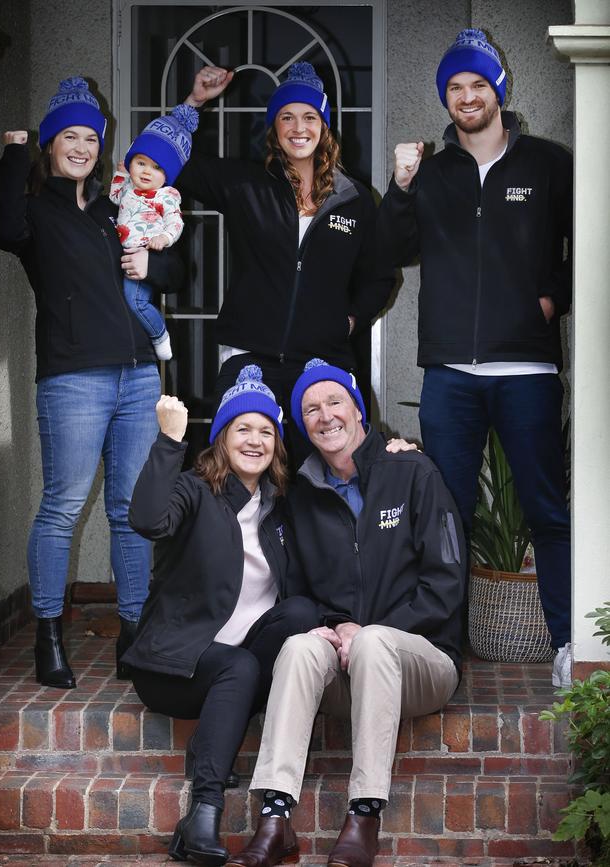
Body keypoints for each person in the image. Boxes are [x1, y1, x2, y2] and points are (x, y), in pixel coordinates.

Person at [377, 29, 573, 687]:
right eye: (455, 87)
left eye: (477, 84)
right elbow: (389, 249)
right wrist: (401, 185)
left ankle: (570, 642)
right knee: (448, 515)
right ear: (447, 97)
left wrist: (552, 299)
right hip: (451, 374)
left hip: (526, 370)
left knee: (546, 508)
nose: (467, 96)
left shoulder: (548, 164)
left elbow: (590, 236)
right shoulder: (431, 173)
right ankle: (444, 650)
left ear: (498, 90)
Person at [0, 76, 182, 689]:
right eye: (68, 136)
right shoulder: (35, 211)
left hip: (137, 379)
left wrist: (157, 262)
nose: (81, 147)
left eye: (90, 138)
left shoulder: (111, 207)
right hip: (73, 378)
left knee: (128, 512)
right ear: (50, 144)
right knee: (62, 508)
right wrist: (16, 154)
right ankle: (48, 635)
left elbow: (172, 264)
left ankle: (132, 632)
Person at [228, 358, 466, 867]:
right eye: (310, 409)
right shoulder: (301, 496)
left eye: (335, 401)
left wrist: (370, 632)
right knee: (297, 646)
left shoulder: (412, 472)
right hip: (346, 666)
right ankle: (274, 817)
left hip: (422, 663)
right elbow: (297, 592)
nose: (324, 415)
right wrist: (335, 629)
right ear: (303, 425)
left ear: (358, 409)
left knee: (376, 641)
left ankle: (364, 814)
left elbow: (445, 583)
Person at [122, 364, 319, 865]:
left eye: (266, 431)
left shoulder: (281, 504)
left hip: (238, 669)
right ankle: (203, 810)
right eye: (242, 429)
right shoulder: (194, 491)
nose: (255, 441)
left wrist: (399, 454)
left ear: (277, 443)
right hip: (174, 665)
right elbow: (146, 519)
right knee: (239, 665)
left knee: (298, 613)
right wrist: (169, 441)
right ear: (222, 438)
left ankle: (206, 751)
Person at [178, 62, 393, 462]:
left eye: (310, 117)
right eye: (287, 117)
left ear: (324, 127)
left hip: (323, 361)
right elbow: (166, 159)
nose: (299, 127)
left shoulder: (355, 199)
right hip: (249, 360)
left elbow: (379, 278)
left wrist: (349, 320)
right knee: (236, 480)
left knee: (326, 483)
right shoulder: (246, 184)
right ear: (274, 128)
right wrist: (194, 103)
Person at [109, 103, 199, 361]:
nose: (147, 171)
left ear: (167, 175)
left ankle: (160, 335)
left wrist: (164, 238)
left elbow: (175, 223)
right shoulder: (128, 189)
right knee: (126, 300)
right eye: (141, 163)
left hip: (144, 253)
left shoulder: (166, 196)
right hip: (125, 254)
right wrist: (119, 173)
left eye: (157, 168)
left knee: (136, 301)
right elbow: (115, 198)